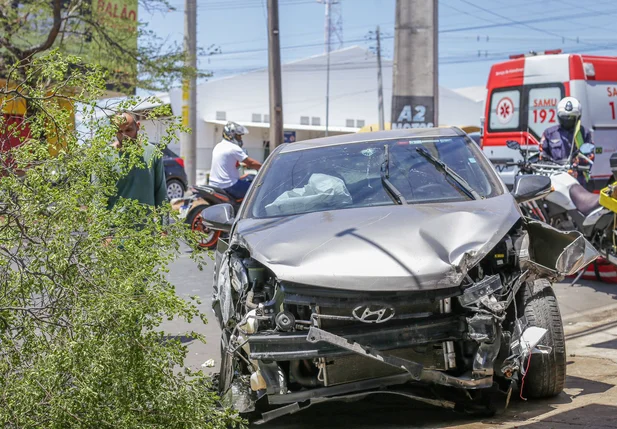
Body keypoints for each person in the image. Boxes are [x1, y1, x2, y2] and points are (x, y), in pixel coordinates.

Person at [107, 111, 168, 211]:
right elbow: (98, 200)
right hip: (114, 226)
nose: (124, 136)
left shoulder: (153, 153)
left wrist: (164, 226)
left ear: (138, 126)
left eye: (128, 130)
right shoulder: (105, 157)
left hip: (146, 226)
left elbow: (161, 197)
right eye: (119, 131)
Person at [209, 121, 262, 199]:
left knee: (249, 177)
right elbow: (251, 163)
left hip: (214, 184)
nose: (240, 138)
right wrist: (266, 167)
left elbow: (228, 164)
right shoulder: (233, 148)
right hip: (228, 185)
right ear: (230, 135)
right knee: (258, 191)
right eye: (238, 136)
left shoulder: (218, 146)